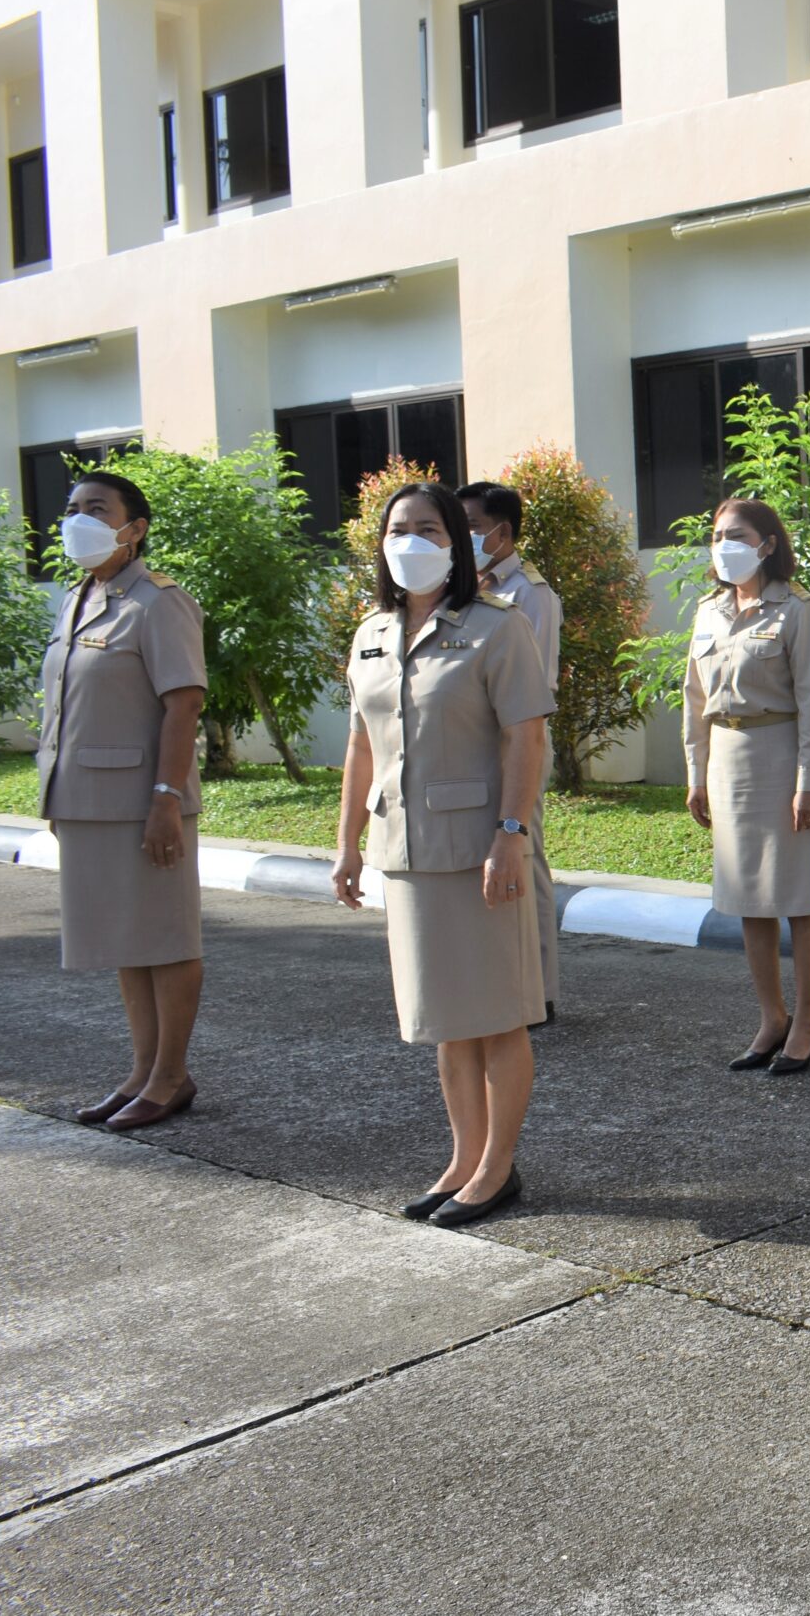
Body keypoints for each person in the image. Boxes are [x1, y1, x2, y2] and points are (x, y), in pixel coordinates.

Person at [330, 483, 554, 1228]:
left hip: (478, 849)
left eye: (428, 529)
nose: (411, 541)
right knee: (446, 1017)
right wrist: (346, 843)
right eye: (398, 529)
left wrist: (511, 834)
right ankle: (463, 1157)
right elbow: (361, 744)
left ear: (457, 542)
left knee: (496, 1015)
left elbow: (526, 735)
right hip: (405, 849)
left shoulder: (496, 627)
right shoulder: (371, 632)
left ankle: (497, 1167)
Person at [37, 472, 209, 1132]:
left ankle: (171, 1076)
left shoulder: (158, 602)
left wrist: (166, 798)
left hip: (143, 802)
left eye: (96, 509)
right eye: (72, 507)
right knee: (125, 941)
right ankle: (142, 1070)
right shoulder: (79, 597)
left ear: (134, 529)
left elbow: (183, 704)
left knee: (164, 936)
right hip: (87, 800)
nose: (78, 518)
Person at [684, 497, 810, 1073]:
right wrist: (696, 774)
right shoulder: (709, 611)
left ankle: (808, 1021)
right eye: (717, 535)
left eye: (738, 535)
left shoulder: (798, 610)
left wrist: (808, 782)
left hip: (779, 757)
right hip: (727, 759)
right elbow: (694, 699)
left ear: (768, 545)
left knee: (797, 895)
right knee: (750, 896)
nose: (724, 545)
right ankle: (773, 1018)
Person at [457, 480, 562, 1025]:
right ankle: (494, 982)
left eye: (471, 527)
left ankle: (538, 991)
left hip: (517, 742)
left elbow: (531, 689)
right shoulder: (457, 588)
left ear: (502, 532)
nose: (463, 537)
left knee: (524, 856)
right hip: (469, 747)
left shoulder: (530, 594)